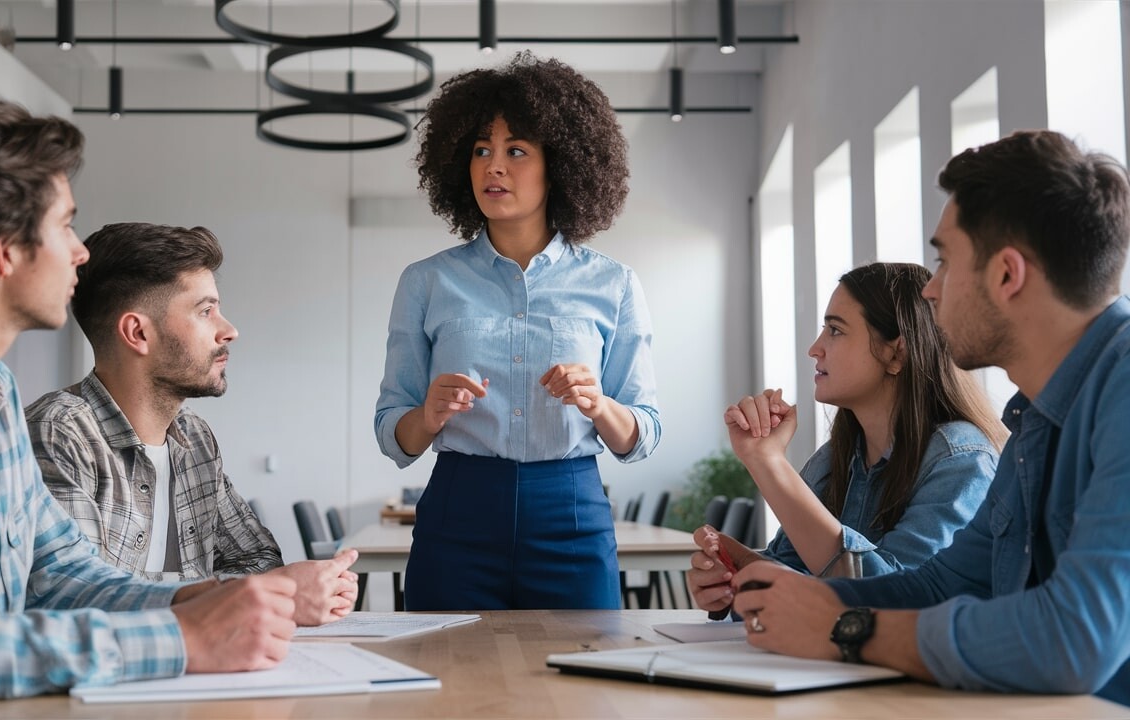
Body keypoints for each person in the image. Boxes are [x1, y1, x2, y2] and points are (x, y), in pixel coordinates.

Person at [0, 99, 296, 718]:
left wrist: (209, 601)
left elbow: (62, 573)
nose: (81, 254)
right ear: (5, 249)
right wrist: (179, 638)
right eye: (65, 226)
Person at [725, 131, 1130, 706]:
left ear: (1007, 275)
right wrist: (805, 602)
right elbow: (945, 583)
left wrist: (846, 628)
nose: (931, 291)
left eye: (943, 261)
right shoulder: (1035, 420)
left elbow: (1074, 637)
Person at [374, 52, 661, 611]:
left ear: (561, 165)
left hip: (571, 512)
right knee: (447, 682)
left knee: (581, 684)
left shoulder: (615, 285)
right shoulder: (426, 281)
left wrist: (599, 405)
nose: (492, 167)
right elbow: (393, 433)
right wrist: (427, 416)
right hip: (457, 510)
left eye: (516, 151)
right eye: (481, 150)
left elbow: (642, 433)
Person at [25, 222, 357, 625]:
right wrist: (263, 595)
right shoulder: (60, 431)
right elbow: (74, 599)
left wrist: (280, 588)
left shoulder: (195, 439)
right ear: (138, 333)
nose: (229, 330)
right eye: (205, 311)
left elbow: (259, 559)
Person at [689, 263, 1005, 617]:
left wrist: (769, 463)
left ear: (896, 354)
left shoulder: (960, 459)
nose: (815, 348)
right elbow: (797, 572)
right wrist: (737, 574)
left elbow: (899, 598)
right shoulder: (835, 457)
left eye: (835, 330)